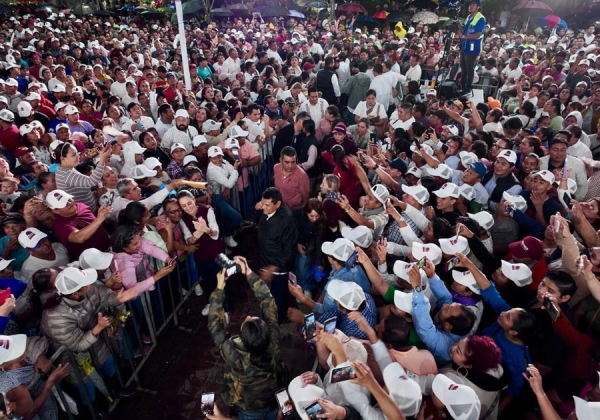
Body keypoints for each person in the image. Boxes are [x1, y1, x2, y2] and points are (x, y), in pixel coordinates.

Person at [208, 257, 282, 420]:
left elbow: (215, 325)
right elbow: (268, 301)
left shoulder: (234, 354)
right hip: (273, 399)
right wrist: (248, 272)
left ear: (243, 339)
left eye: (248, 321)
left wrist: (219, 287)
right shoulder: (273, 341)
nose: (248, 316)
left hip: (249, 408)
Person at [255, 188, 298, 322]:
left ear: (278, 204)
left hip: (279, 268)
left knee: (277, 298)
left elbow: (289, 252)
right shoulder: (266, 210)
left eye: (267, 205)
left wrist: (272, 268)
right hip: (267, 260)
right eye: (262, 204)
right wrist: (256, 208)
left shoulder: (286, 221)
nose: (264, 208)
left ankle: (275, 323)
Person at [459, 0, 486, 96]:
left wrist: (463, 36)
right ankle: (462, 85)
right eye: (470, 4)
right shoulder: (469, 17)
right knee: (463, 66)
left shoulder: (480, 18)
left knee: (469, 67)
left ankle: (468, 87)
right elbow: (465, 29)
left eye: (473, 4)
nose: (471, 6)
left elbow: (478, 34)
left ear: (478, 6)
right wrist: (458, 25)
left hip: (473, 47)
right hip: (465, 46)